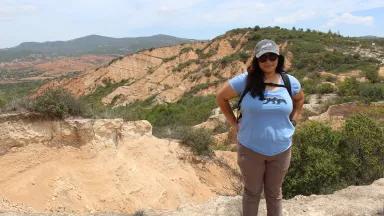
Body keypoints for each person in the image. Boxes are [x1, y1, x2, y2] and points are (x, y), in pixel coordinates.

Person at [216, 39, 304, 216]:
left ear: (279, 58)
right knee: (252, 193)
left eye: (272, 56)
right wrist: (234, 123)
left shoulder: (289, 82)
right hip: (250, 149)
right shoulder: (245, 81)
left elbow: (299, 100)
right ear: (257, 60)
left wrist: (293, 120)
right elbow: (221, 97)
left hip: (281, 149)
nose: (268, 61)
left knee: (274, 193)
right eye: (263, 58)